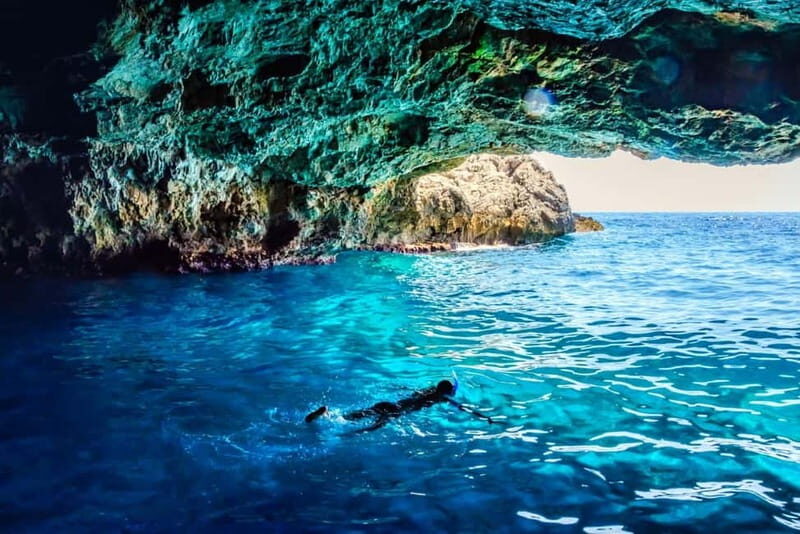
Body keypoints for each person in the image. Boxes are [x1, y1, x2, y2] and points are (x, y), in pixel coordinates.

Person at [304, 379, 496, 433]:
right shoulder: (441, 399)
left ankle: (325, 414)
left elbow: (408, 389)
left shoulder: (427, 390)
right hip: (394, 412)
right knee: (369, 429)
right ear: (445, 393)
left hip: (389, 404)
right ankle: (341, 435)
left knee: (352, 416)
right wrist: (485, 417)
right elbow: (464, 409)